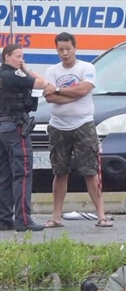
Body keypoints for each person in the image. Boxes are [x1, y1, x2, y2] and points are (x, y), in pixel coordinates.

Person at [43, 32, 112, 229]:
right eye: (61, 50)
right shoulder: (51, 71)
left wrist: (58, 91)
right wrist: (68, 94)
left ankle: (101, 215)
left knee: (90, 171)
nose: (65, 53)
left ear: (75, 48)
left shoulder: (86, 67)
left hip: (83, 124)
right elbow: (49, 98)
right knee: (60, 171)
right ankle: (56, 216)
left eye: (68, 49)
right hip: (58, 126)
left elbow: (84, 90)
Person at [0, 44, 55, 232]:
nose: (21, 60)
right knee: (22, 173)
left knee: (4, 175)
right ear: (6, 57)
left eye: (22, 57)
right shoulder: (12, 75)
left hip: (3, 129)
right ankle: (23, 219)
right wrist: (26, 69)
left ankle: (4, 219)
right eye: (18, 56)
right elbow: (42, 83)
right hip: (16, 128)